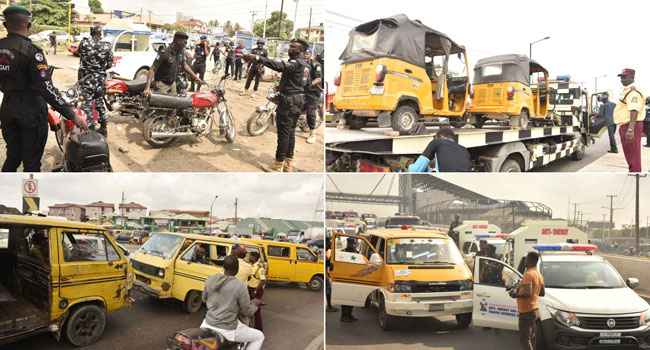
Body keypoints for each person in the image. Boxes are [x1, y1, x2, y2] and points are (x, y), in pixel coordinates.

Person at [0, 6, 88, 172]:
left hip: (8, 108)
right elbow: (46, 88)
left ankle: (3, 195)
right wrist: (71, 114)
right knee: (32, 162)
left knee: (13, 156)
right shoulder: (33, 52)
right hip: (31, 111)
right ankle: (29, 198)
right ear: (30, 24)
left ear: (5, 25)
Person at [243, 37, 311, 172]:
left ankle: (277, 165)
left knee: (283, 134)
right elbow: (305, 85)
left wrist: (257, 58)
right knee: (290, 133)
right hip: (297, 100)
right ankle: (287, 164)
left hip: (288, 102)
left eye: (293, 47)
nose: (289, 49)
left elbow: (279, 66)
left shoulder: (296, 62)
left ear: (301, 50)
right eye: (290, 46)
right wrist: (284, 87)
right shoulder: (306, 65)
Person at [201, 255, 264, 350]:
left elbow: (204, 299)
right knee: (259, 336)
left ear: (223, 267)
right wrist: (255, 304)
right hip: (227, 328)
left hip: (207, 323)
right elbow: (247, 312)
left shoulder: (210, 279)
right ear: (237, 268)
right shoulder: (240, 286)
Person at [77, 26, 113, 136]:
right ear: (100, 34)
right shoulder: (107, 46)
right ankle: (103, 127)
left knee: (87, 104)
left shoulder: (84, 43)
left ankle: (90, 128)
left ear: (91, 33)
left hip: (87, 78)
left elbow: (79, 53)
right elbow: (110, 64)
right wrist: (100, 69)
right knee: (99, 103)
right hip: (100, 79)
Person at [143, 31, 201, 97]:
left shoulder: (180, 51)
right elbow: (152, 69)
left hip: (172, 83)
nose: (186, 44)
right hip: (162, 84)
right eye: (185, 42)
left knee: (174, 104)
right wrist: (147, 88)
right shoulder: (164, 52)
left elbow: (184, 65)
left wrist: (196, 77)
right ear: (179, 41)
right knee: (160, 105)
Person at [509, 251, 545, 350]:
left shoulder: (528, 274)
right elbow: (542, 293)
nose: (525, 261)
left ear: (529, 260)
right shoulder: (539, 275)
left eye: (526, 259)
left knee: (525, 341)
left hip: (527, 311)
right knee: (531, 338)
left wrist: (515, 294)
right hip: (534, 310)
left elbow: (528, 293)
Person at [613, 68, 646, 172]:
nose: (622, 80)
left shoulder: (633, 92)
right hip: (628, 125)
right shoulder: (627, 91)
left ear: (632, 78)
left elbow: (634, 110)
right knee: (630, 153)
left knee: (633, 154)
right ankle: (634, 171)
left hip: (630, 125)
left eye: (625, 77)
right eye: (621, 77)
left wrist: (630, 129)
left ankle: (635, 174)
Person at [304, 49, 322, 144]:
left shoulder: (316, 65)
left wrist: (309, 84)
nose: (305, 56)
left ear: (310, 55)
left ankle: (312, 132)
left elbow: (318, 79)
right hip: (303, 90)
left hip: (313, 91)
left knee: (311, 112)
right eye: (303, 54)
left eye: (307, 54)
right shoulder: (301, 64)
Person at [340, 237, 359, 322]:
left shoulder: (357, 253)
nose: (353, 245)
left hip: (354, 278)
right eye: (351, 244)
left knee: (352, 298)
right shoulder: (343, 253)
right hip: (345, 278)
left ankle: (349, 314)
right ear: (348, 243)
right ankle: (343, 316)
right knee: (345, 298)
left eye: (354, 244)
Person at [247, 252, 266, 331]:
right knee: (248, 307)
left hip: (256, 290)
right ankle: (248, 325)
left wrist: (255, 291)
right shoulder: (252, 265)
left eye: (250, 256)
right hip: (250, 288)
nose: (249, 257)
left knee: (256, 309)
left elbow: (263, 280)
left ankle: (259, 327)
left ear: (254, 258)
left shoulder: (259, 268)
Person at [325, 239, 338, 312]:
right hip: (325, 275)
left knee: (328, 290)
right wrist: (331, 257)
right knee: (328, 290)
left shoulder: (326, 251)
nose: (330, 244)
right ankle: (329, 306)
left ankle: (329, 306)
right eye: (329, 242)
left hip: (326, 274)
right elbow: (327, 263)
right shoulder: (325, 252)